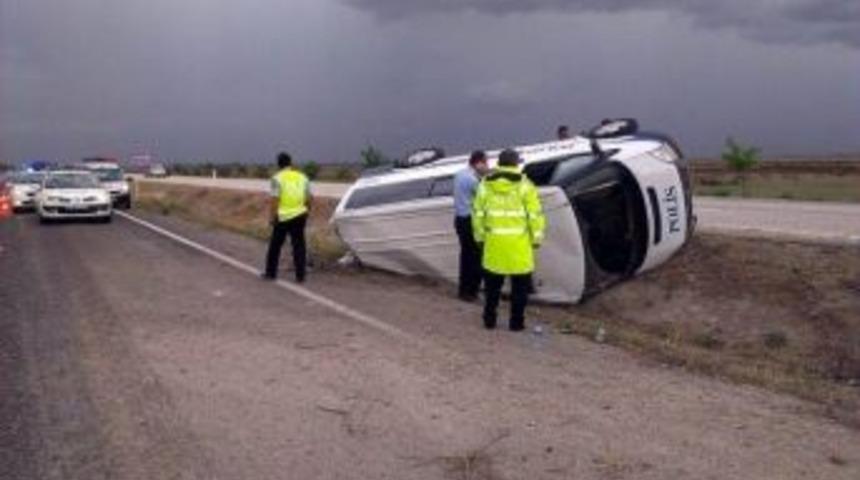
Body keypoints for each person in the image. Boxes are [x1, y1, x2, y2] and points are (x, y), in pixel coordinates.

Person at [472, 149, 545, 331]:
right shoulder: (526, 185)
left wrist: (480, 238)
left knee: (492, 289)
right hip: (519, 247)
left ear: (500, 164)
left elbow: (478, 215)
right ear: (515, 164)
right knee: (519, 290)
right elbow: (534, 215)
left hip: (494, 245)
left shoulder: (484, 184)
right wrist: (537, 239)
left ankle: (489, 321)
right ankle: (516, 323)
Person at [263, 151, 313, 282]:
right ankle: (300, 276)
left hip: (283, 217)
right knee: (299, 246)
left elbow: (275, 200)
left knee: (275, 246)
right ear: (291, 163)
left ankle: (271, 273)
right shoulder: (303, 177)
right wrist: (307, 211)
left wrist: (272, 218)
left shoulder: (277, 178)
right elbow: (309, 198)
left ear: (278, 164)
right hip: (300, 215)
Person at [453, 150, 490, 301]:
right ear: (478, 162)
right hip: (470, 221)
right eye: (485, 163)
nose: (487, 166)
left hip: (459, 220)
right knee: (476, 257)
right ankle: (472, 292)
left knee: (465, 256)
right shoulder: (474, 180)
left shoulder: (459, 174)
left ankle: (463, 290)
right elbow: (484, 197)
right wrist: (487, 177)